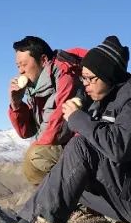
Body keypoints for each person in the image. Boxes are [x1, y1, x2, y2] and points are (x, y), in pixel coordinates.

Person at [19, 35, 131, 223]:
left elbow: (119, 148)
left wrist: (78, 118)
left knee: (80, 145)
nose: (86, 84)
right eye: (84, 78)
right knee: (66, 170)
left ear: (108, 76)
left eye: (91, 78)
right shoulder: (107, 99)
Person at [7, 36, 85, 186]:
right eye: (18, 66)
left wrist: (37, 146)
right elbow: (26, 131)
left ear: (43, 60)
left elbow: (60, 125)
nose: (21, 71)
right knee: (33, 162)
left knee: (36, 156)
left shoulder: (66, 75)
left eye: (23, 64)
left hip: (81, 145)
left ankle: (80, 199)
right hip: (67, 145)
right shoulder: (36, 88)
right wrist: (16, 103)